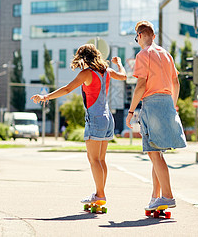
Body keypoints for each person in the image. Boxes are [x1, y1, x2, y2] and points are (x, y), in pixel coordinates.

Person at [31, 44, 126, 204]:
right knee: (101, 159)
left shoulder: (87, 74)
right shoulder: (107, 71)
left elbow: (67, 89)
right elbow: (123, 76)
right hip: (108, 118)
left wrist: (45, 97)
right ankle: (99, 193)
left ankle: (100, 195)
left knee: (93, 159)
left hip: (95, 118)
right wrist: (119, 63)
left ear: (83, 58)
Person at [125, 20, 186, 212]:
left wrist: (131, 111)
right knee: (156, 154)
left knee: (153, 153)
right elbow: (176, 83)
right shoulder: (166, 55)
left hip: (152, 104)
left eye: (137, 38)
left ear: (141, 35)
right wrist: (172, 105)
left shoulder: (143, 54)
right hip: (168, 102)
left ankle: (167, 196)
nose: (137, 41)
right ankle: (155, 197)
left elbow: (141, 85)